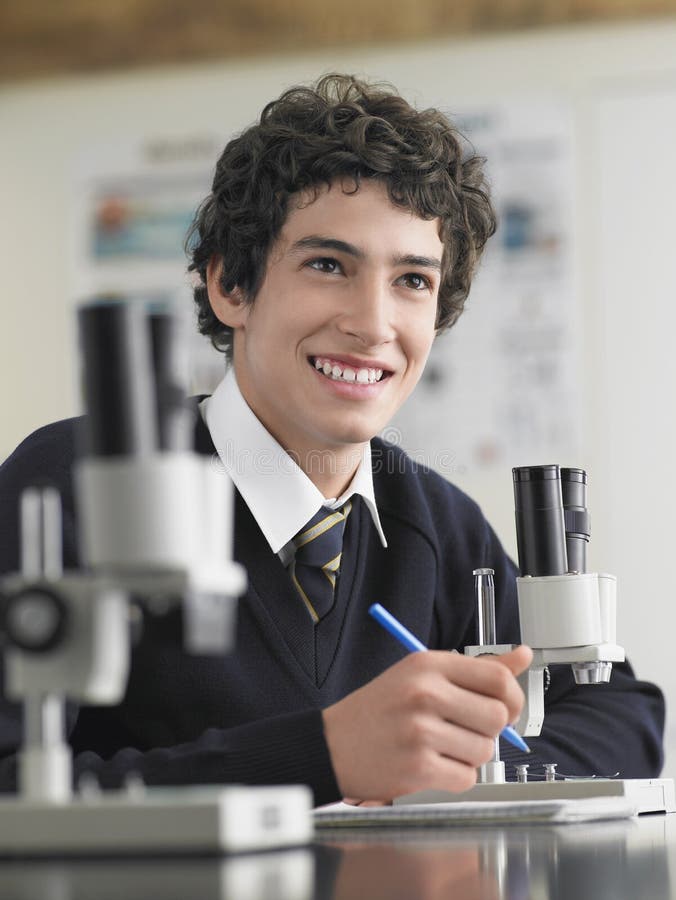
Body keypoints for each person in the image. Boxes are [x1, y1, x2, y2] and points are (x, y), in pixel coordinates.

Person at [0, 74, 664, 804]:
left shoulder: (438, 525)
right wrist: (323, 758)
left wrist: (459, 773)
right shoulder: (71, 486)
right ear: (230, 287)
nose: (373, 323)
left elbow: (624, 715)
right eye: (328, 265)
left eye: (412, 280)